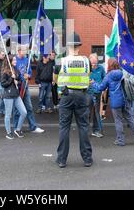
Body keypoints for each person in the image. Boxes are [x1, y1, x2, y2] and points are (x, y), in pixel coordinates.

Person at [54, 32, 92, 168]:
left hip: (66, 96)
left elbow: (55, 79)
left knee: (64, 127)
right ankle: (87, 159)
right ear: (79, 46)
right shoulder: (86, 61)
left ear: (68, 46)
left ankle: (62, 160)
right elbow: (88, 76)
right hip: (82, 96)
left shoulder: (61, 61)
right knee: (83, 126)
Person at [13, 45, 45, 134]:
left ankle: (33, 127)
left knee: (29, 107)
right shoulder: (14, 60)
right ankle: (16, 127)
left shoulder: (26, 60)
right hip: (17, 88)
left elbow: (30, 72)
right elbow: (11, 72)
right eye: (24, 50)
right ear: (19, 51)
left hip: (25, 86)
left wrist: (29, 76)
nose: (26, 51)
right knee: (16, 109)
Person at [0, 55, 27, 139]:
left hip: (16, 94)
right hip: (8, 95)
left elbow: (19, 80)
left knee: (24, 112)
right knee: (8, 114)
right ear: (10, 61)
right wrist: (11, 79)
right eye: (14, 60)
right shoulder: (5, 72)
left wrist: (17, 80)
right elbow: (3, 84)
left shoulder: (15, 70)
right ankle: (8, 132)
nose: (16, 61)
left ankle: (18, 129)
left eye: (15, 60)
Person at [87, 53, 105, 138]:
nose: (94, 65)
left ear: (97, 61)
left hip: (98, 93)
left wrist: (103, 88)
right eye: (92, 63)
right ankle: (85, 131)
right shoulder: (86, 68)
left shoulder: (101, 68)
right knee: (87, 113)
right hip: (88, 94)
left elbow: (104, 79)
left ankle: (96, 130)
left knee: (97, 113)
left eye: (95, 63)